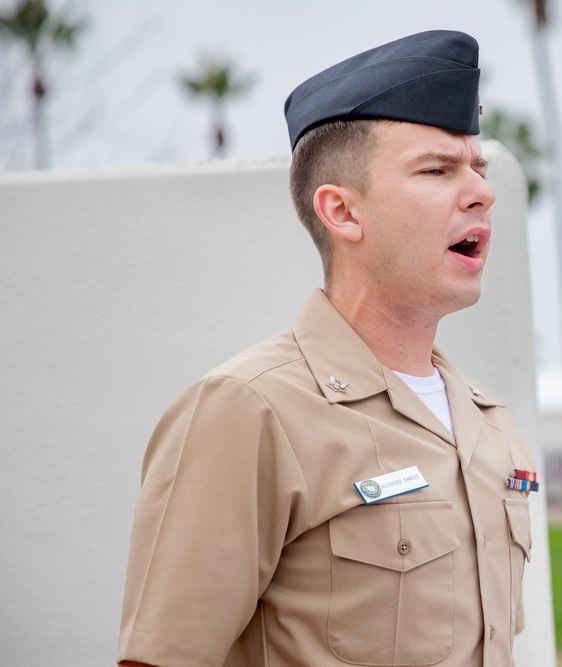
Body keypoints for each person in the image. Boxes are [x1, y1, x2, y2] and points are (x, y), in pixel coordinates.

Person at [117, 30, 536, 667]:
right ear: (341, 212)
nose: (481, 190)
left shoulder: (489, 422)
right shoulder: (249, 409)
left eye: (476, 166)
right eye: (436, 169)